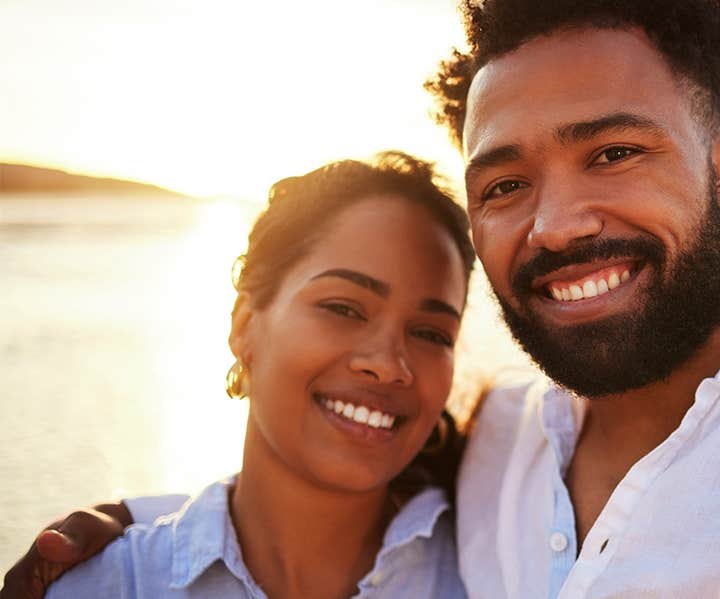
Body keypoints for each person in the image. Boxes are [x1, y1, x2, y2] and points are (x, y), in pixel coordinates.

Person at [4, 2, 720, 598]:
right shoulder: (501, 448)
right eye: (504, 184)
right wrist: (110, 537)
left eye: (612, 152)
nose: (554, 224)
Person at [36, 152, 475, 598]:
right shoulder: (106, 587)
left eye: (430, 333)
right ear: (245, 324)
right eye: (342, 308)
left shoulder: (497, 571)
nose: (387, 364)